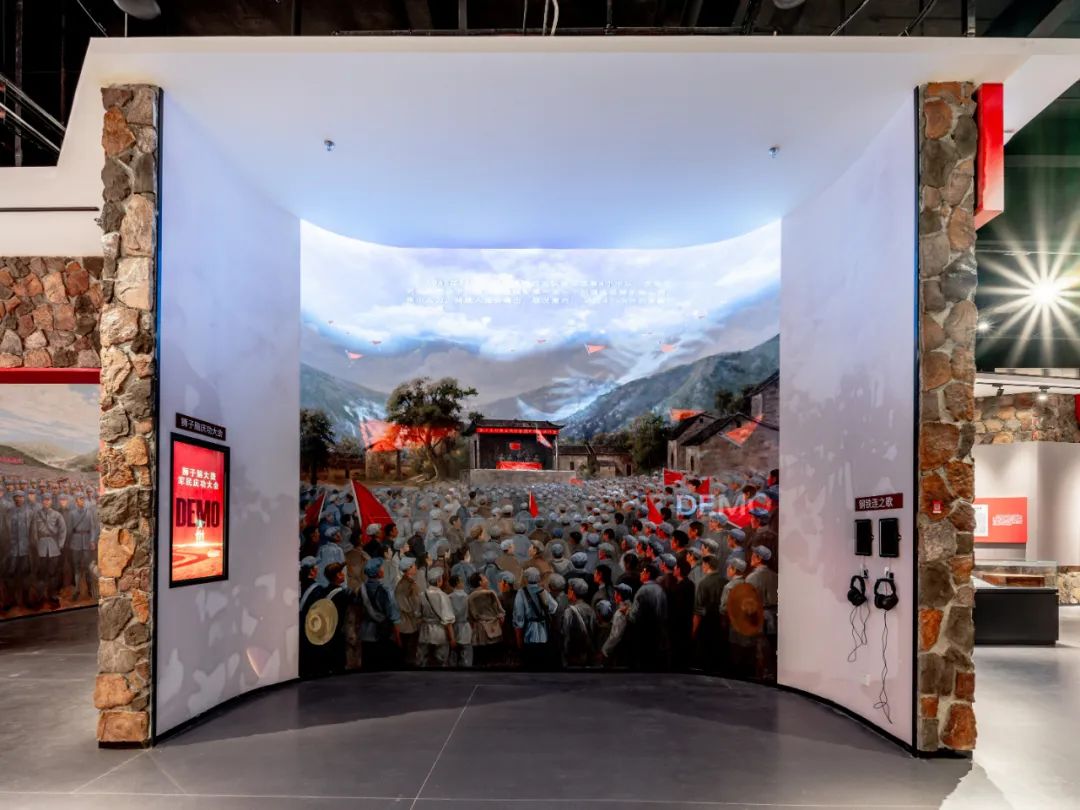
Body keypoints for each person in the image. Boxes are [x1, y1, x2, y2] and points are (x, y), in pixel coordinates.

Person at [358, 558, 401, 671]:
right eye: (381, 568)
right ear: (377, 572)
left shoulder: (360, 589)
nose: (383, 570)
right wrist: (397, 637)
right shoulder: (386, 590)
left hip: (366, 633)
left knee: (368, 667)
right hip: (383, 633)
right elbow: (393, 616)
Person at [513, 567, 557, 670]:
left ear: (526, 578)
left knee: (530, 662)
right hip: (544, 632)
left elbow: (519, 615)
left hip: (529, 633)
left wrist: (518, 635)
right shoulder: (543, 591)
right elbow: (554, 607)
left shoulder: (521, 592)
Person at [629, 561, 669, 671]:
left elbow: (633, 616)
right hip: (659, 633)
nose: (641, 573)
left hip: (644, 633)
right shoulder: (660, 590)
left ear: (648, 574)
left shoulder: (643, 591)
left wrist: (627, 612)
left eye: (643, 572)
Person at [692, 555, 728, 673]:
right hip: (721, 623)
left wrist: (693, 630)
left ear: (707, 565)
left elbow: (698, 610)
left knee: (706, 655)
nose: (702, 566)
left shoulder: (703, 583)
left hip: (706, 623)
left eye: (704, 564)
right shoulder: (725, 581)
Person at [31, 492, 66, 608]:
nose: (46, 502)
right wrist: (36, 545)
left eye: (48, 500)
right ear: (42, 501)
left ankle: (52, 595)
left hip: (53, 546)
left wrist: (60, 544)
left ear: (51, 501)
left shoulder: (57, 515)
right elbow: (34, 531)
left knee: (53, 573)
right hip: (41, 546)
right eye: (44, 500)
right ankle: (40, 596)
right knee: (41, 573)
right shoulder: (36, 514)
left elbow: (63, 530)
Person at [418, 567, 456, 667]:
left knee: (423, 660)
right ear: (439, 580)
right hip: (439, 631)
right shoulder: (443, 596)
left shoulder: (422, 595)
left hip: (425, 631)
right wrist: (452, 638)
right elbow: (448, 620)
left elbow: (417, 614)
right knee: (441, 660)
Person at [467, 571, 506, 668]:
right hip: (493, 629)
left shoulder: (470, 597)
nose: (487, 580)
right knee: (494, 660)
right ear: (480, 582)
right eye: (484, 578)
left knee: (480, 660)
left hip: (479, 632)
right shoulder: (490, 593)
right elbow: (500, 611)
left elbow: (470, 617)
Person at [561, 578, 597, 668]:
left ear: (573, 592)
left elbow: (566, 635)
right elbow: (593, 631)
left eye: (569, 589)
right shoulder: (590, 609)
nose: (567, 592)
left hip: (573, 655)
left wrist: (565, 654)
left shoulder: (569, 611)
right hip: (586, 654)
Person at [68, 494, 98, 601]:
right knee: (76, 567)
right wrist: (70, 542)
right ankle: (77, 590)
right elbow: (69, 529)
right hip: (75, 542)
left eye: (83, 499)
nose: (82, 501)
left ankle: (90, 590)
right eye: (80, 499)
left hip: (86, 542)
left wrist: (92, 540)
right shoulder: (72, 514)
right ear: (76, 501)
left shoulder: (88, 513)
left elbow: (93, 528)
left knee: (87, 567)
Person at [394, 557, 422, 667]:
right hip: (409, 624)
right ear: (409, 569)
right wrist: (417, 615)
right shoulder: (408, 585)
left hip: (405, 623)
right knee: (409, 654)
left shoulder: (403, 583)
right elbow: (414, 605)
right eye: (414, 566)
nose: (416, 567)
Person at [601, 583, 634, 668]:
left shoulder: (620, 613)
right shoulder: (632, 607)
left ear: (620, 596)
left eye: (616, 593)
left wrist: (605, 649)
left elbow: (615, 636)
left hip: (621, 651)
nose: (614, 595)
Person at [448, 574, 473, 668]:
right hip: (465, 627)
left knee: (453, 655)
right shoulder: (468, 597)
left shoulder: (449, 597)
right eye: (461, 581)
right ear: (457, 583)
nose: (463, 583)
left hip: (453, 627)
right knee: (466, 654)